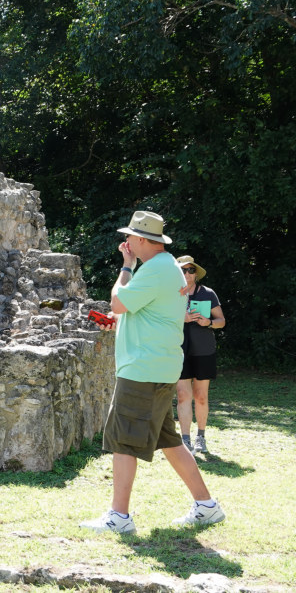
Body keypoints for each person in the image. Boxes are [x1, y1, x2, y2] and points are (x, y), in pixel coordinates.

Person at [80, 211, 225, 534]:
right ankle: (206, 506)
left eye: (130, 237)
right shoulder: (168, 267)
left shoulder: (154, 269)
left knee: (123, 440)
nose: (126, 242)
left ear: (142, 240)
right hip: (158, 365)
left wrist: (126, 267)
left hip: (143, 368)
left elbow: (118, 302)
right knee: (170, 440)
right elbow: (139, 312)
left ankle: (119, 517)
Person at [175, 255, 225, 453]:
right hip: (178, 349)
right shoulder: (170, 294)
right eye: (183, 270)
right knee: (182, 395)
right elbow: (159, 319)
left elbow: (221, 320)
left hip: (204, 350)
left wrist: (209, 322)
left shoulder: (208, 293)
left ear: (196, 273)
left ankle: (200, 438)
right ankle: (185, 440)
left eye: (191, 270)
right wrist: (182, 318)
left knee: (201, 396)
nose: (187, 274)